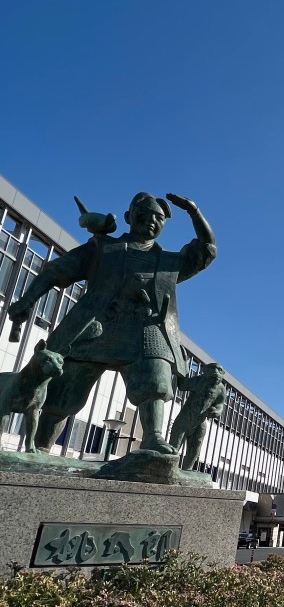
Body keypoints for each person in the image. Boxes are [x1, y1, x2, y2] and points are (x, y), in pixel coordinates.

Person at [7, 191, 216, 454]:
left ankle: (153, 439)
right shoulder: (103, 248)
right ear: (129, 217)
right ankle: (40, 447)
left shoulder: (170, 262)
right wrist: (27, 300)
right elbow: (55, 271)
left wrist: (194, 212)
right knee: (62, 395)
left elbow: (206, 251)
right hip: (95, 327)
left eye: (159, 218)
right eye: (144, 215)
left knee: (155, 383)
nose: (152, 221)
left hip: (146, 330)